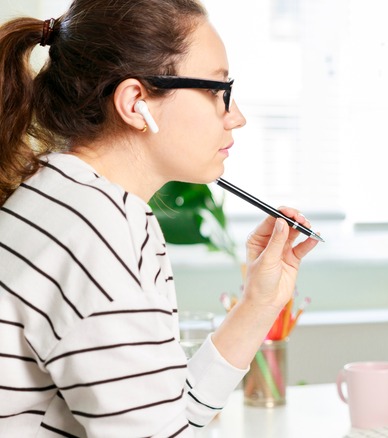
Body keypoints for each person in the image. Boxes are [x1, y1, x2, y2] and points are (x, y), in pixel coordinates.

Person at [0, 0, 319, 435]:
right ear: (136, 103)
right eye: (216, 90)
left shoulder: (67, 199)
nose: (236, 116)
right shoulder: (97, 232)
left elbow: (165, 414)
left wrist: (258, 306)